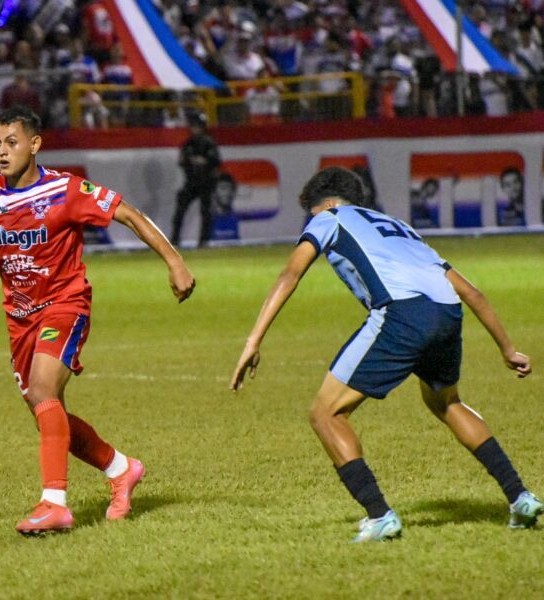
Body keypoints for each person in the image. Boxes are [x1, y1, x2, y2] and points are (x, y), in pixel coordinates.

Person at [0, 106, 195, 535]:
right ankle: (122, 469)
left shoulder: (66, 190)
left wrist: (175, 262)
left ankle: (54, 505)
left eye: (11, 143)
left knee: (43, 390)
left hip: (65, 306)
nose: (2, 152)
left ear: (34, 144)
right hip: (20, 321)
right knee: (48, 411)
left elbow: (129, 214)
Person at [230, 166, 540, 542]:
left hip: (400, 313)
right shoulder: (398, 227)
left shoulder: (329, 218)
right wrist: (507, 349)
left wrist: (253, 341)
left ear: (326, 203)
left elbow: (289, 275)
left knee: (326, 414)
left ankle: (379, 516)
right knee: (447, 402)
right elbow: (472, 293)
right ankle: (520, 497)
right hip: (446, 312)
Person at [170, 112, 221, 248]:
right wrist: (192, 163)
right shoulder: (188, 145)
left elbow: (215, 161)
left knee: (206, 212)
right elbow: (182, 162)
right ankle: (175, 240)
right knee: (180, 209)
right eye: (193, 127)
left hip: (206, 182)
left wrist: (203, 163)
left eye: (198, 127)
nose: (195, 129)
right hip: (191, 182)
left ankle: (203, 240)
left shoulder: (209, 143)